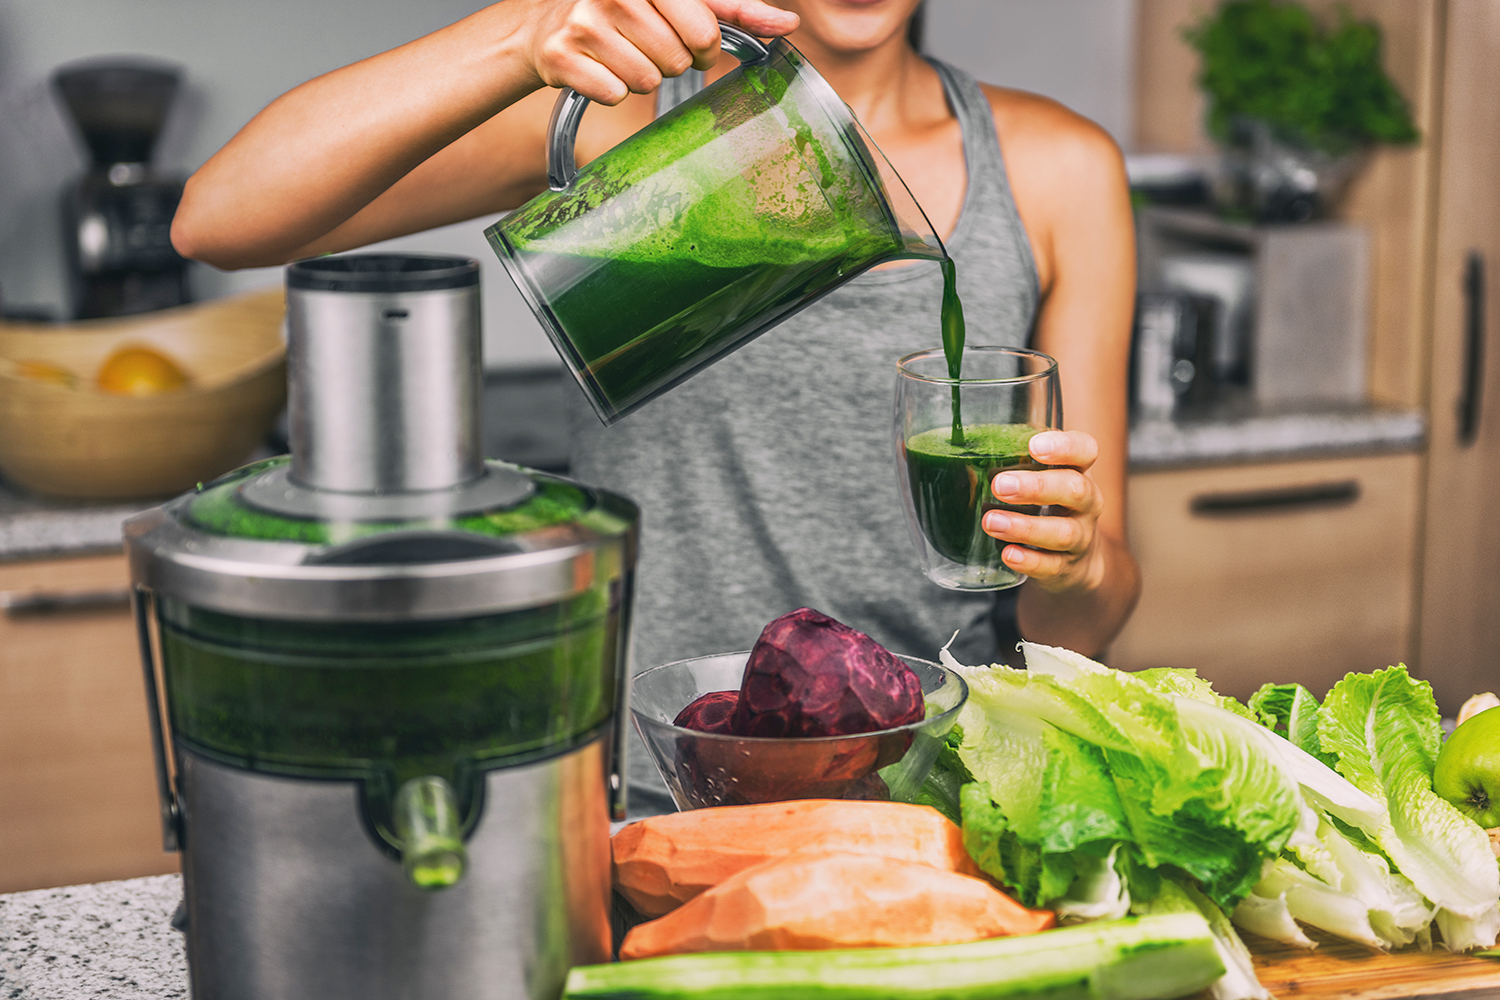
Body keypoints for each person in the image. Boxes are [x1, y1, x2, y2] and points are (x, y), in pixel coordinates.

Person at [172, 0, 1141, 815]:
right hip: (649, 789)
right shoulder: (620, 120)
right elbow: (220, 217)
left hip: (933, 792)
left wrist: (1079, 558)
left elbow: (1086, 622)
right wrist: (525, 32)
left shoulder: (1057, 170)